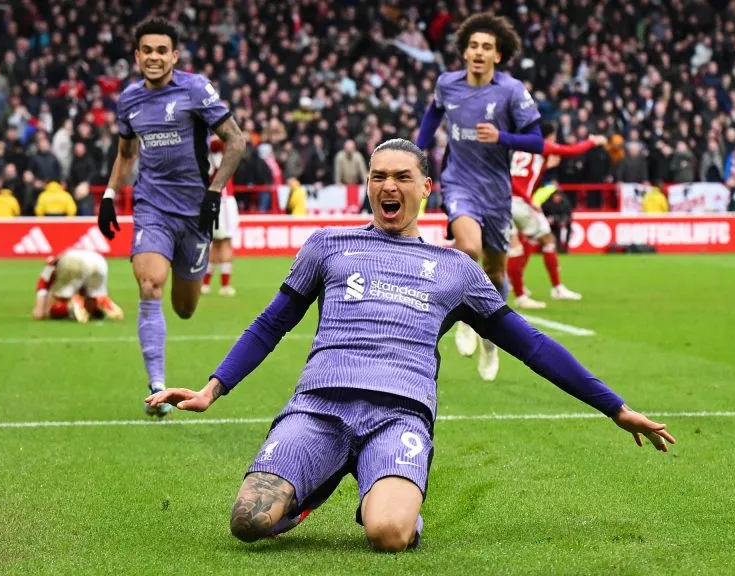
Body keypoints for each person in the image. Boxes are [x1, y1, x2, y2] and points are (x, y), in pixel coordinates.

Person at [146, 139, 676, 552]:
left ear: (426, 188)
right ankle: (319, 484)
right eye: (379, 177)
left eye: (402, 177)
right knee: (248, 523)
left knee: (388, 536)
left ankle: (390, 495)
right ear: (368, 187)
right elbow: (270, 324)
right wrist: (213, 388)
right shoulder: (329, 245)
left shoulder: (457, 270)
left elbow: (531, 345)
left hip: (399, 416)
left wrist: (615, 408)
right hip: (319, 406)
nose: (388, 186)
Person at [96, 17, 246, 417]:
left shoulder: (196, 89)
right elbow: (127, 154)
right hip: (152, 208)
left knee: (184, 307)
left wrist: (215, 191)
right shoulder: (129, 100)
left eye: (162, 50)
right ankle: (157, 388)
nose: (154, 57)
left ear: (174, 56)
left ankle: (161, 372)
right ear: (137, 55)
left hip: (195, 214)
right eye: (148, 50)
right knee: (149, 284)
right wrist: (111, 193)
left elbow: (237, 139)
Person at [415, 13, 544, 381]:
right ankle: (463, 319)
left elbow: (536, 141)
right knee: (467, 248)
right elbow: (432, 117)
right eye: (473, 45)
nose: (478, 52)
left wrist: (503, 137)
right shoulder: (447, 84)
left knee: (496, 271)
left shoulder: (512, 91)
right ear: (465, 51)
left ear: (498, 56)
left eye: (486, 47)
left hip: (496, 192)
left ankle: (490, 341)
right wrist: (415, 152)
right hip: (458, 183)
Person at [507, 125, 603, 308]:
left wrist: (545, 165)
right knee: (548, 240)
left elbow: (519, 174)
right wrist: (593, 141)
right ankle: (556, 288)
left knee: (516, 247)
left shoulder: (519, 148)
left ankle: (517, 290)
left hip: (502, 201)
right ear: (549, 136)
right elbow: (573, 150)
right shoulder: (542, 145)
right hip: (520, 202)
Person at [31, 249, 123, 323]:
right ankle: (101, 302)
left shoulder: (51, 266)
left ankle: (74, 305)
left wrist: (40, 309)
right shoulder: (63, 258)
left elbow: (43, 284)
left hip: (73, 261)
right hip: (99, 261)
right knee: (93, 296)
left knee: (53, 304)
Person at [202, 136, 239, 297]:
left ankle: (205, 284)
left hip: (212, 199)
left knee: (215, 242)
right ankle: (225, 285)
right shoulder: (217, 151)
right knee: (225, 242)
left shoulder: (205, 153)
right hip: (223, 200)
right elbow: (220, 143)